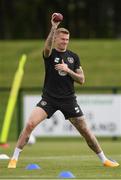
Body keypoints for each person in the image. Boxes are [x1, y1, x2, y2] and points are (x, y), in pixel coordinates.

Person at [8, 14, 119, 168]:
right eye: (62, 39)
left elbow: (81, 79)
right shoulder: (50, 54)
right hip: (49, 98)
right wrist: (54, 27)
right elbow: (46, 48)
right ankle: (14, 159)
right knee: (30, 124)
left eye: (67, 39)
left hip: (68, 100)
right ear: (56, 39)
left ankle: (104, 160)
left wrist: (68, 70)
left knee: (85, 131)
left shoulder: (73, 57)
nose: (65, 41)